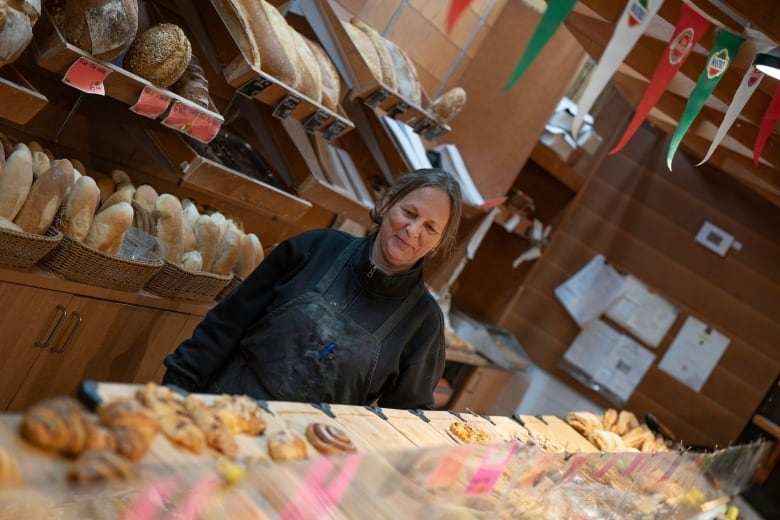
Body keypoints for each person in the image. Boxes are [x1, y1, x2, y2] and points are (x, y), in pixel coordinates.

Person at [162, 169, 463, 410]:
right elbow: (222, 329)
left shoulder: (423, 323)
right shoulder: (316, 248)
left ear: (438, 244)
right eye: (409, 213)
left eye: (430, 228)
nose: (413, 231)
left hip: (303, 463)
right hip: (218, 416)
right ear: (386, 205)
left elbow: (403, 425)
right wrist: (172, 397)